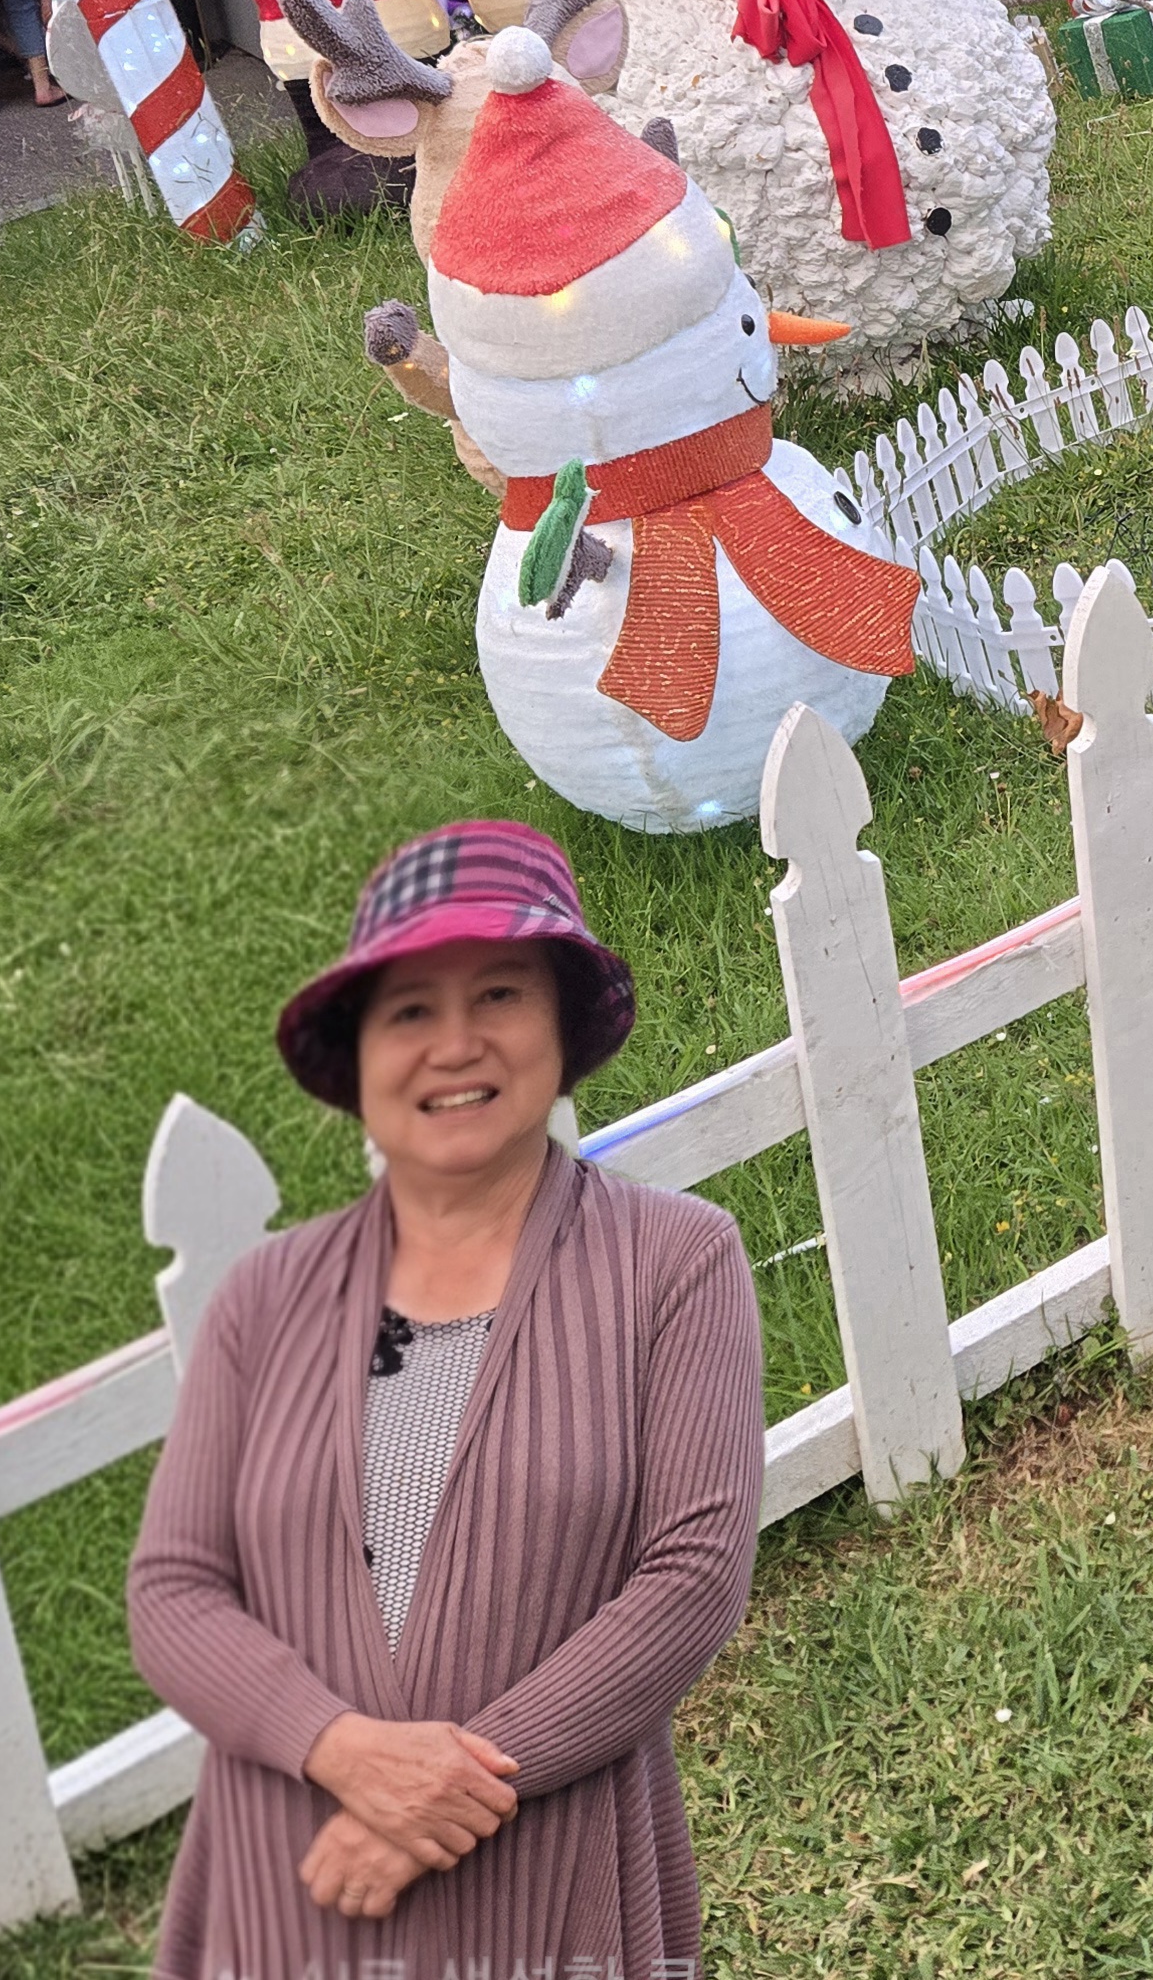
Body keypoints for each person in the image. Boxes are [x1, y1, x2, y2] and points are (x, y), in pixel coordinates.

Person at [129, 826, 762, 1979]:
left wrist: (445, 1791)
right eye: (410, 1009)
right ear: (361, 1056)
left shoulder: (674, 1262)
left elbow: (692, 1576)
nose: (454, 1043)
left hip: (546, 1868)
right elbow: (174, 1589)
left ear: (564, 1030)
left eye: (501, 994)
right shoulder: (263, 1298)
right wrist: (342, 1750)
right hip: (296, 1872)